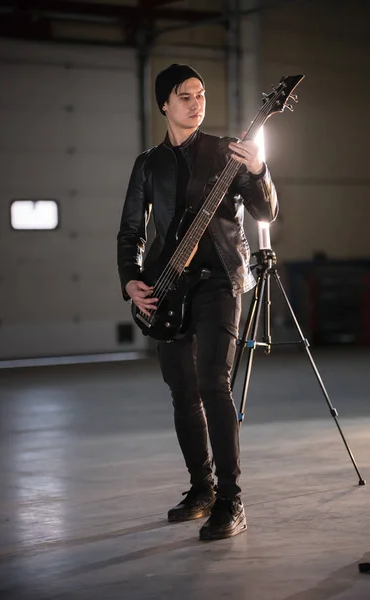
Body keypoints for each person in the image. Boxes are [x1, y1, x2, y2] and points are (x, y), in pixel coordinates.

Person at [117, 63, 278, 541]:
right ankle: (202, 488)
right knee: (183, 392)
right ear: (164, 103)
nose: (195, 101)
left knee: (213, 383)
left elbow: (267, 211)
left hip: (220, 282)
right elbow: (130, 231)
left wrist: (258, 170)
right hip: (166, 287)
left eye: (201, 93)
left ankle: (231, 499)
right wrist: (131, 280)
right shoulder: (148, 165)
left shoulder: (228, 153)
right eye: (184, 95)